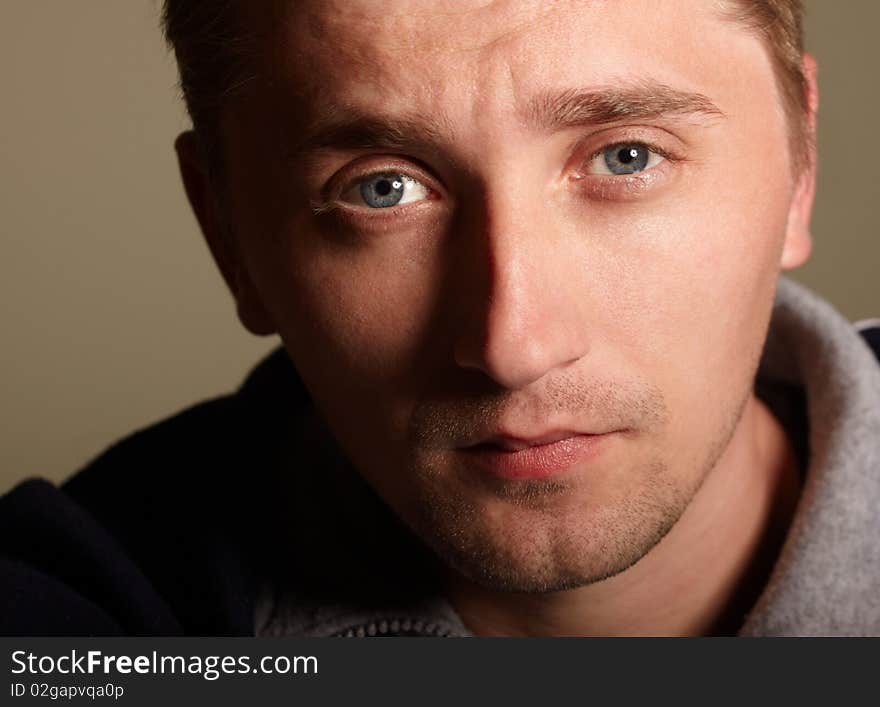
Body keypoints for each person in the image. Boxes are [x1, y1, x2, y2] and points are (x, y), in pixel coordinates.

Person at [1, 0, 879, 637]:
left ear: (799, 166)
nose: (514, 345)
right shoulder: (83, 616)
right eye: (381, 188)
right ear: (224, 230)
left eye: (627, 156)